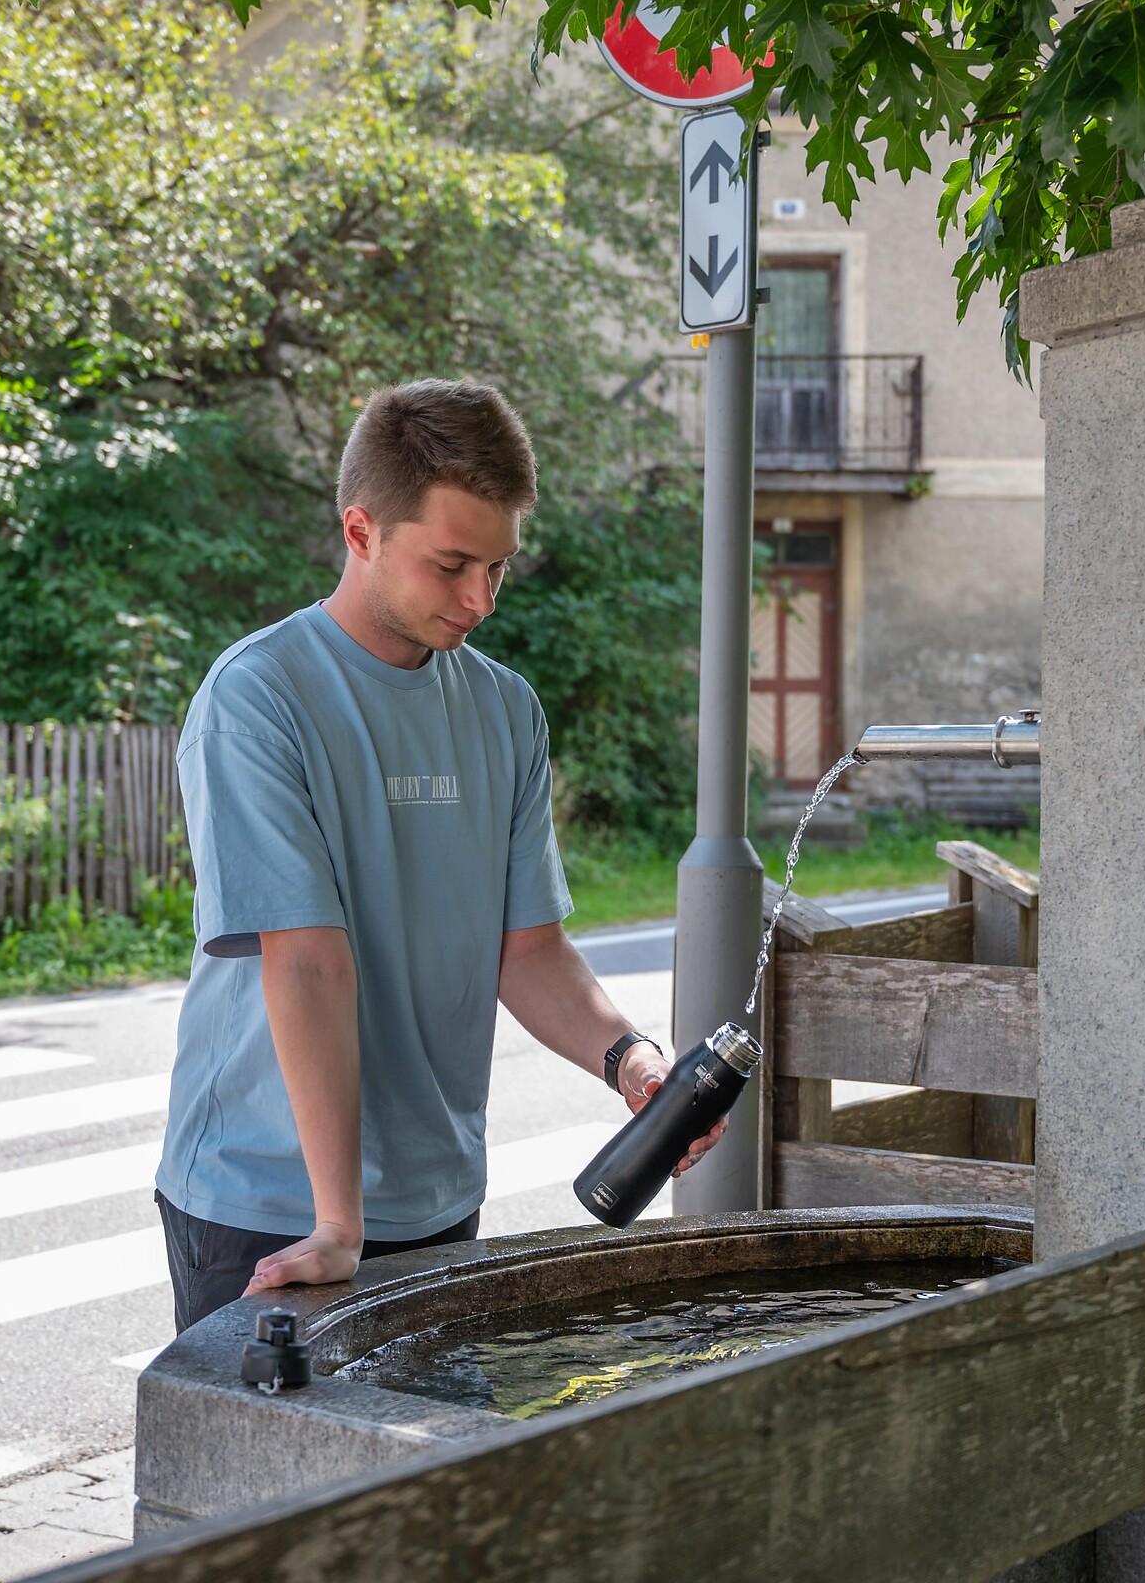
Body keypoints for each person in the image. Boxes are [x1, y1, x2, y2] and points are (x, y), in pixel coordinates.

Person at [154, 378, 723, 1333]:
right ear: (362, 531)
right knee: (276, 1484)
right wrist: (340, 1222)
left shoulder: (505, 709)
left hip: (438, 1195)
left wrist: (630, 1058)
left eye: (498, 569)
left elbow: (529, 951)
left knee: (414, 1475)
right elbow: (307, 960)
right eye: (453, 564)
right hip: (268, 1205)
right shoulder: (257, 698)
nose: (480, 600)